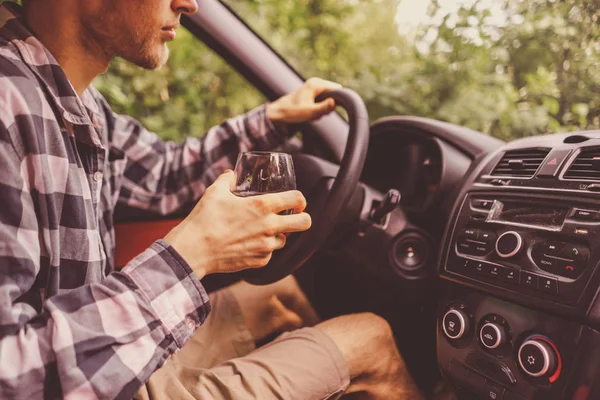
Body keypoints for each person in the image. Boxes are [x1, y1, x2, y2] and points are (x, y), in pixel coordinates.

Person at [0, 0, 423, 399]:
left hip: (105, 356)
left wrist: (274, 117)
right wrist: (191, 254)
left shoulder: (81, 104)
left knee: (284, 296)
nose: (189, 4)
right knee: (372, 341)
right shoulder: (7, 108)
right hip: (86, 382)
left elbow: (165, 174)